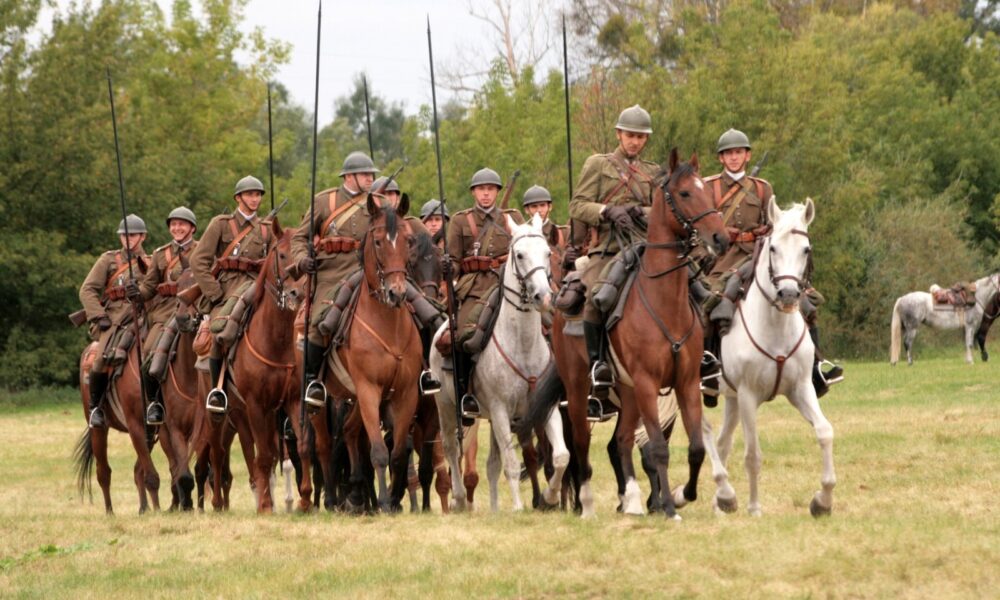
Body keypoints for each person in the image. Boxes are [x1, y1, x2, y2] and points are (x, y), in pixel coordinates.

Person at [699, 129, 843, 401]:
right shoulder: (709, 187)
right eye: (729, 153)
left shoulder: (763, 188)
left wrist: (766, 232)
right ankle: (708, 365)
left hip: (758, 255)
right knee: (713, 301)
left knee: (806, 300)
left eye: (739, 152)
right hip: (723, 257)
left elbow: (775, 226)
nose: (734, 157)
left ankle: (816, 366)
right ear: (721, 158)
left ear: (747, 155)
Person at [568, 105, 660, 405]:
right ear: (619, 134)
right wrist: (608, 210)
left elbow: (661, 211)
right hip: (607, 248)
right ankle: (598, 365)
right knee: (597, 297)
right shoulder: (598, 164)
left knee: (689, 285)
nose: (634, 141)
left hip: (645, 246)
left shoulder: (653, 172)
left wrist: (638, 211)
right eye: (630, 135)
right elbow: (578, 205)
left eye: (640, 137)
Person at [188, 175, 274, 412]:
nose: (254, 199)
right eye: (249, 194)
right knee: (220, 332)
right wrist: (214, 293)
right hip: (226, 291)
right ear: (238, 198)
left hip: (258, 288)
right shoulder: (221, 224)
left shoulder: (267, 228)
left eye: (257, 194)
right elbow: (198, 261)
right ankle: (218, 390)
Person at [444, 167, 524, 415]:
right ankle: (465, 393)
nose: (486, 194)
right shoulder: (459, 221)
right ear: (473, 193)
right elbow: (455, 262)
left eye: (490, 189)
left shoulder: (513, 217)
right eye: (481, 189)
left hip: (508, 285)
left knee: (544, 326)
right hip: (475, 288)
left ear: (497, 192)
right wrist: (448, 266)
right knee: (462, 334)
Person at [79, 214, 149, 428]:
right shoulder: (108, 260)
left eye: (133, 235)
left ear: (143, 237)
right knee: (100, 358)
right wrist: (98, 316)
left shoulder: (152, 261)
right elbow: (87, 289)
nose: (128, 239)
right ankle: (96, 407)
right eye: (124, 235)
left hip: (142, 315)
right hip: (114, 319)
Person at [135, 207, 198, 425]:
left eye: (182, 224)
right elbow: (149, 288)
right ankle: (155, 403)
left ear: (192, 228)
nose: (177, 228)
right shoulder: (161, 254)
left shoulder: (202, 250)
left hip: (194, 308)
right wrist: (138, 293)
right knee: (148, 355)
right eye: (174, 224)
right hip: (164, 313)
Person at [522, 184, 569, 253]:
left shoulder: (564, 233)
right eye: (534, 206)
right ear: (526, 210)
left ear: (549, 207)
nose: (539, 210)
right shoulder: (521, 234)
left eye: (542, 205)